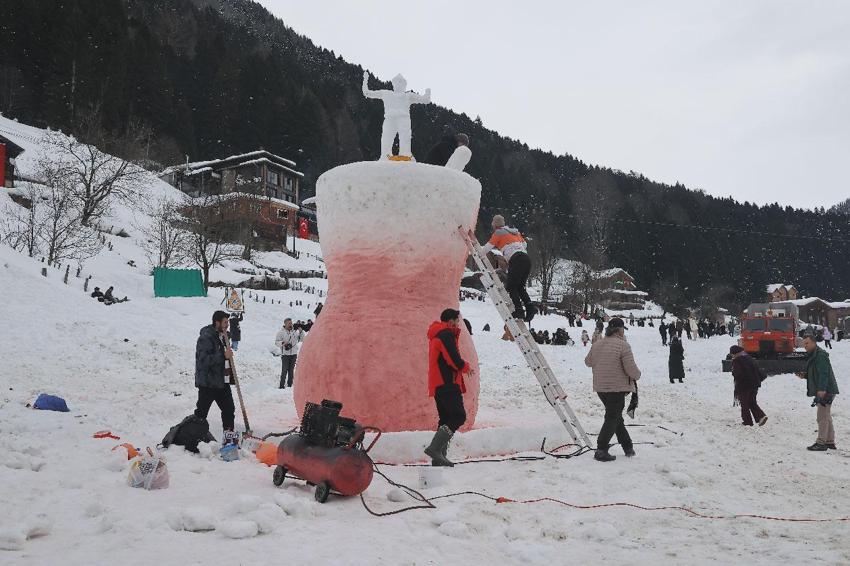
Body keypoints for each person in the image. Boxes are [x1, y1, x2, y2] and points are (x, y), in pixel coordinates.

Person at [584, 317, 641, 461]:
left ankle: (628, 446)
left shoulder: (597, 344)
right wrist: (638, 375)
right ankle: (601, 449)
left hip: (601, 388)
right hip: (616, 388)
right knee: (612, 417)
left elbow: (588, 362)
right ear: (619, 330)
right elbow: (631, 370)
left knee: (615, 417)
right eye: (622, 329)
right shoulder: (623, 346)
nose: (623, 332)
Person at [424, 309, 471, 466]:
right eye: (457, 321)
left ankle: (439, 457)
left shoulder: (437, 334)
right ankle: (435, 449)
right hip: (447, 382)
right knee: (458, 416)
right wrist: (465, 367)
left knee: (446, 418)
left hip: (438, 383)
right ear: (451, 321)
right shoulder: (445, 334)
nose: (458, 324)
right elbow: (452, 359)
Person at [479, 215, 537, 322]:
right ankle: (530, 308)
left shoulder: (498, 233)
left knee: (511, 286)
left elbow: (487, 247)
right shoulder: (515, 232)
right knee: (520, 287)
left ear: (495, 225)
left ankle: (519, 310)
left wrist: (479, 254)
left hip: (516, 259)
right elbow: (524, 244)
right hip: (526, 259)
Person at [194, 311, 236, 435]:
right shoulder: (206, 337)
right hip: (208, 383)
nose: (227, 325)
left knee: (229, 409)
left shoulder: (223, 336)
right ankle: (193, 437)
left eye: (228, 322)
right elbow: (203, 360)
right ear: (217, 322)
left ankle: (229, 437)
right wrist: (223, 355)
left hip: (222, 381)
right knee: (201, 413)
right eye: (225, 322)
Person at [797, 335, 839, 451]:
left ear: (814, 343)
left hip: (826, 389)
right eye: (804, 344)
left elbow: (824, 373)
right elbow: (816, 373)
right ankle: (829, 441)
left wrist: (822, 389)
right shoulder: (814, 355)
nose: (805, 346)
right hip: (826, 389)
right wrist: (805, 376)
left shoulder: (820, 355)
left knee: (822, 416)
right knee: (826, 415)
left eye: (807, 343)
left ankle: (821, 442)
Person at [729, 345, 768, 427]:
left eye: (732, 354)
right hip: (754, 384)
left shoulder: (737, 361)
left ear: (735, 353)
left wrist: (734, 372)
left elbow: (737, 374)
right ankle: (761, 416)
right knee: (752, 401)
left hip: (744, 385)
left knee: (744, 404)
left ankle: (747, 422)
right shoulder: (749, 358)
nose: (732, 356)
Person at [275, 318, 305, 389]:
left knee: (291, 371)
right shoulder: (280, 332)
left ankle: (290, 385)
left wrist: (301, 332)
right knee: (284, 370)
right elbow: (276, 342)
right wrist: (283, 343)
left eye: (291, 323)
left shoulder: (295, 332)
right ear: (285, 324)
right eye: (289, 323)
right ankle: (281, 386)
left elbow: (301, 339)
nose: (291, 324)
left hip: (294, 354)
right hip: (285, 355)